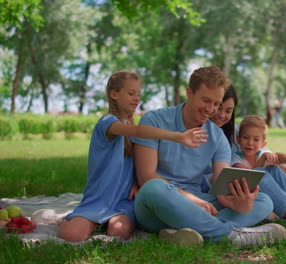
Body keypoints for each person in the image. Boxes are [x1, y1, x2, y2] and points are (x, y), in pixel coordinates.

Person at [132, 66, 286, 247]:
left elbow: (221, 184)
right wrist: (192, 201)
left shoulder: (218, 137)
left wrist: (239, 203)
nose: (211, 109)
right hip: (158, 205)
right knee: (153, 187)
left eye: (216, 104)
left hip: (200, 202)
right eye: (206, 100)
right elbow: (145, 177)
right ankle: (231, 235)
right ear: (189, 93)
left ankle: (181, 233)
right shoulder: (154, 121)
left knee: (264, 201)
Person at [58, 71, 208, 242]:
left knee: (119, 232)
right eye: (131, 93)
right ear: (114, 94)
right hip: (100, 198)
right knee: (71, 235)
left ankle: (103, 223)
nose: (137, 98)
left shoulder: (132, 125)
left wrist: (136, 183)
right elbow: (138, 132)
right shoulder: (107, 123)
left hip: (124, 201)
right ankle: (70, 220)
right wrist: (178, 136)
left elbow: (137, 163)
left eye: (138, 94)